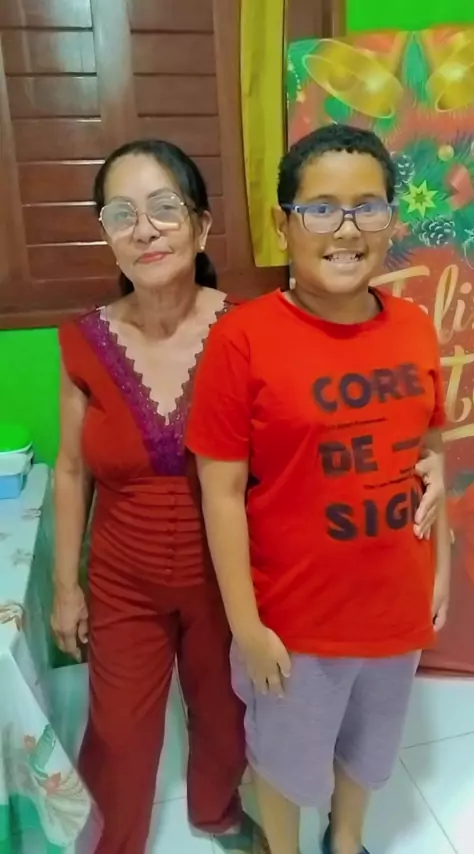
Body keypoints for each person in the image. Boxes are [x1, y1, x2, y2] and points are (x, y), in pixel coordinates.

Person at [185, 124, 451, 854]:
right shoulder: (243, 338)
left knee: (371, 747)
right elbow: (219, 492)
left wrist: (443, 565)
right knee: (285, 761)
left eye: (368, 206)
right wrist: (247, 627)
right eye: (321, 209)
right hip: (296, 621)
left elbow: (430, 449)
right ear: (284, 224)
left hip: (396, 604)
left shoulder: (414, 328)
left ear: (391, 220)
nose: (347, 228)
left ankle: (347, 839)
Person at [50, 139, 270, 854]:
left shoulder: (251, 331)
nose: (144, 230)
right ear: (108, 236)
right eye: (122, 214)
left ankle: (216, 812)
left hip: (227, 578)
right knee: (117, 730)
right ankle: (112, 841)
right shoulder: (84, 341)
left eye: (164, 208)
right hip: (123, 580)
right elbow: (70, 470)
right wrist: (66, 588)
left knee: (226, 712)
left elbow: (297, 449)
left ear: (201, 226)